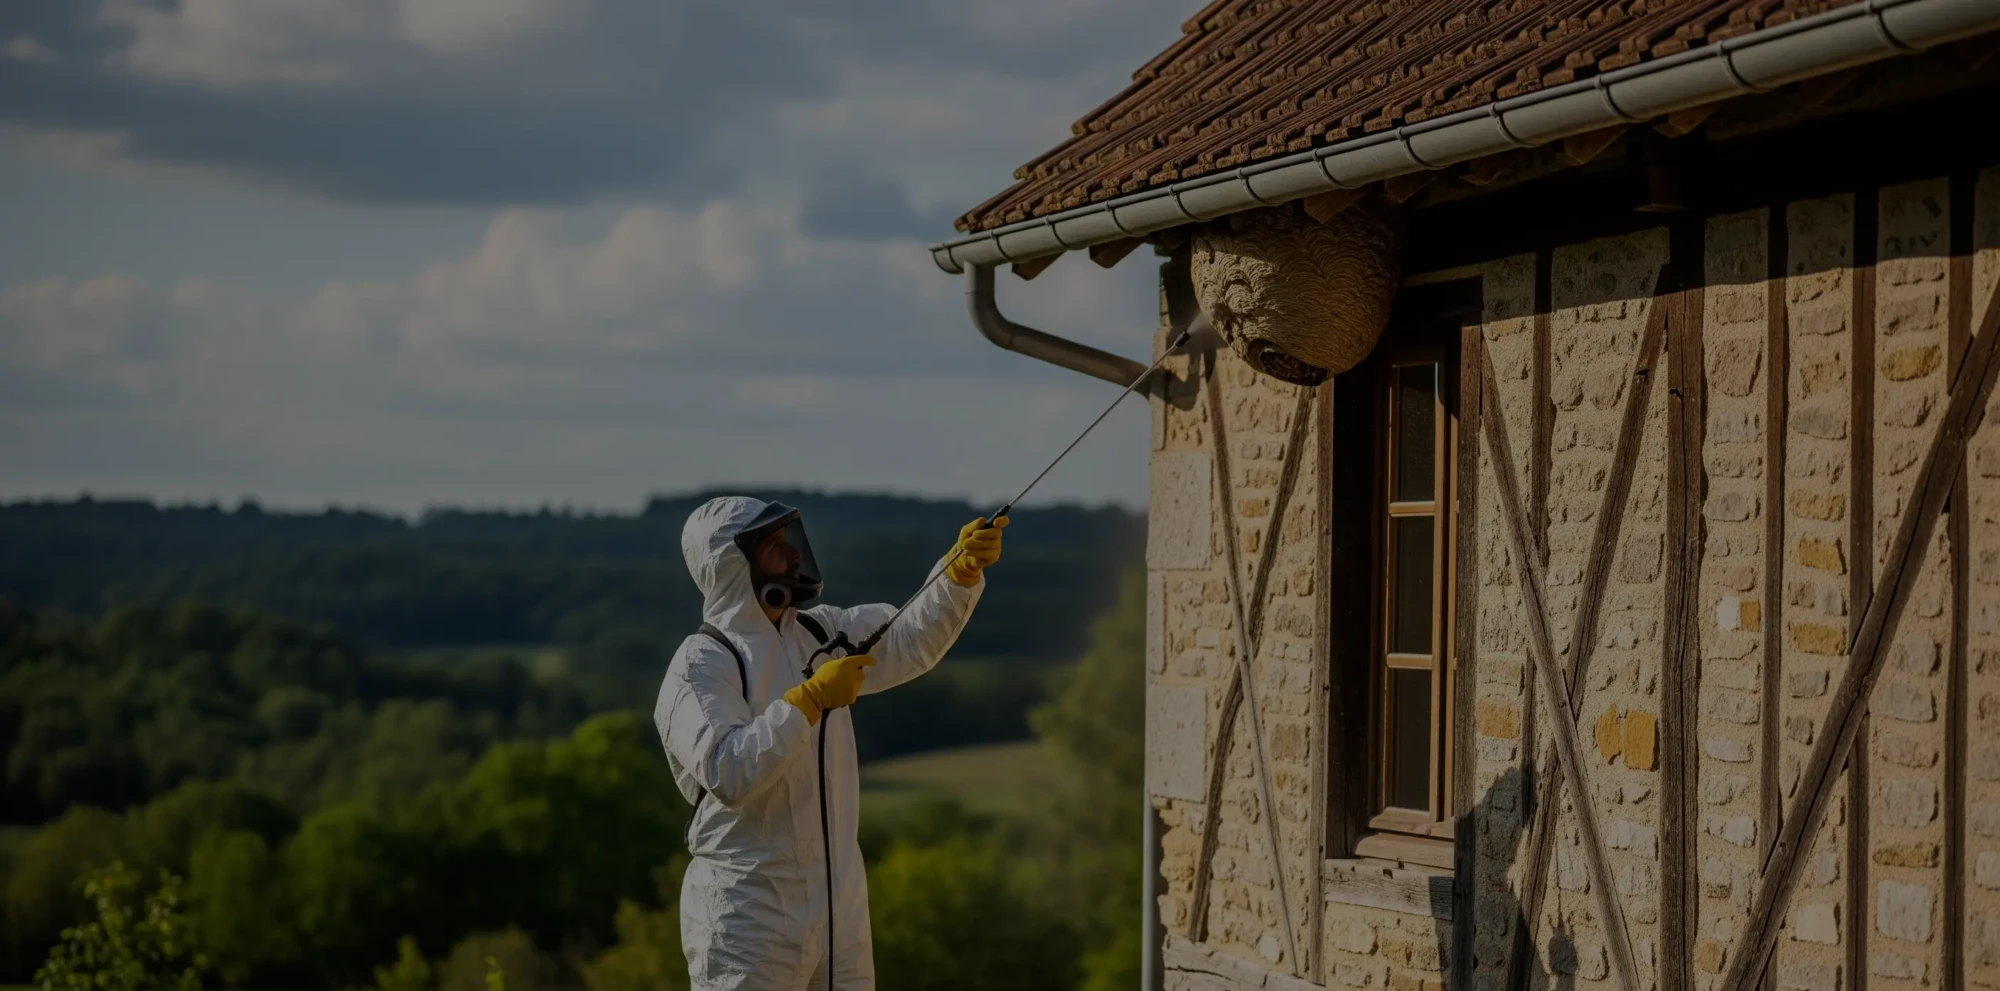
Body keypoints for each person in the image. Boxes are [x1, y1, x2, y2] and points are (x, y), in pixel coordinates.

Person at [654, 495, 1005, 991]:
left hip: (840, 904)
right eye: (774, 546)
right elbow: (730, 773)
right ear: (735, 565)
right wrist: (808, 702)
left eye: (788, 540)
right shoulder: (701, 665)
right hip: (746, 912)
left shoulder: (820, 631)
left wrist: (959, 574)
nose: (793, 554)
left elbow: (908, 639)